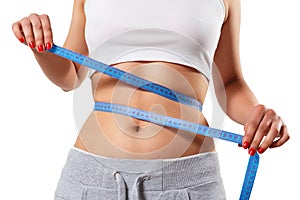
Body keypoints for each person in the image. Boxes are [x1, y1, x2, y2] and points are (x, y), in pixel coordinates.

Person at [12, 0, 290, 199]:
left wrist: (258, 114)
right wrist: (41, 48)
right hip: (93, 178)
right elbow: (71, 76)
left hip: (186, 181)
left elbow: (230, 83)